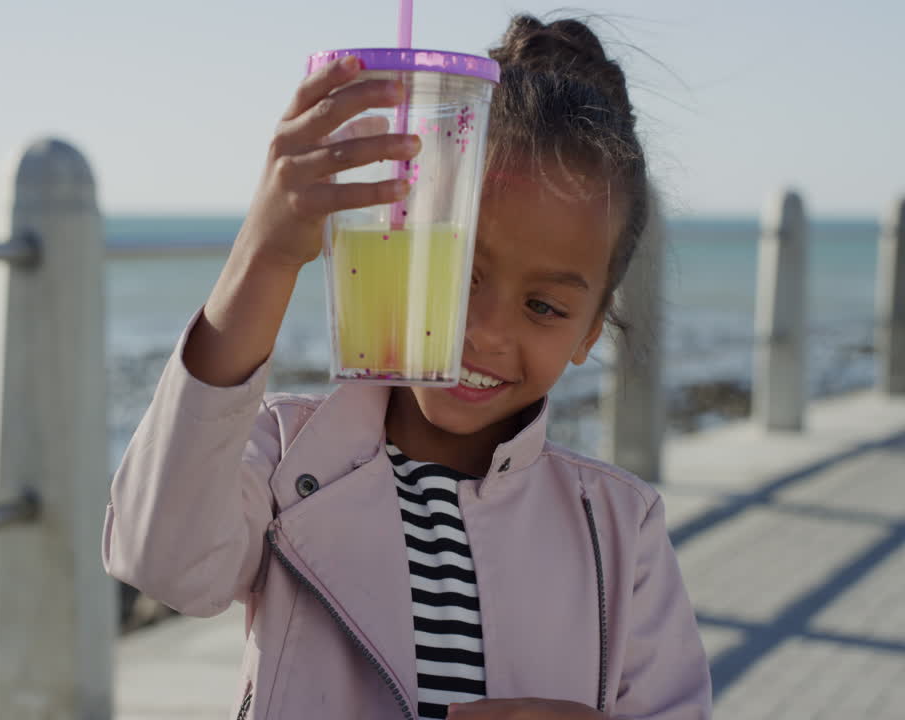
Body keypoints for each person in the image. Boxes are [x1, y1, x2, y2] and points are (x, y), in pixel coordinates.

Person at [103, 14, 711, 720]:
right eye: (458, 273)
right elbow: (162, 560)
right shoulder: (287, 457)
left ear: (589, 334)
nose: (484, 332)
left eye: (543, 307)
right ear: (399, 241)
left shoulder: (619, 526)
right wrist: (266, 254)